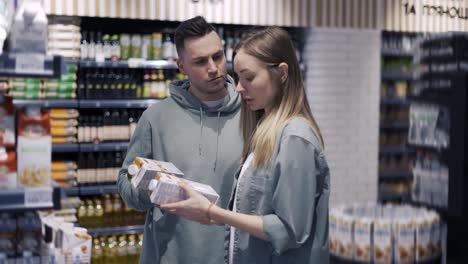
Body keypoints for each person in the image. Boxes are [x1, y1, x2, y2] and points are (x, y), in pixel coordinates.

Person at [161, 27, 331, 264]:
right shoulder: (264, 131)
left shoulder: (295, 138)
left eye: (248, 77)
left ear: (282, 73)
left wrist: (212, 212)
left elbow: (289, 231)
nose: (239, 87)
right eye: (238, 78)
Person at [117, 16, 243, 264]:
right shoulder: (156, 118)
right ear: (181, 66)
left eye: (217, 56)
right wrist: (150, 192)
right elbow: (126, 181)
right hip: (169, 256)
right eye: (200, 61)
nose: (213, 68)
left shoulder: (251, 113)